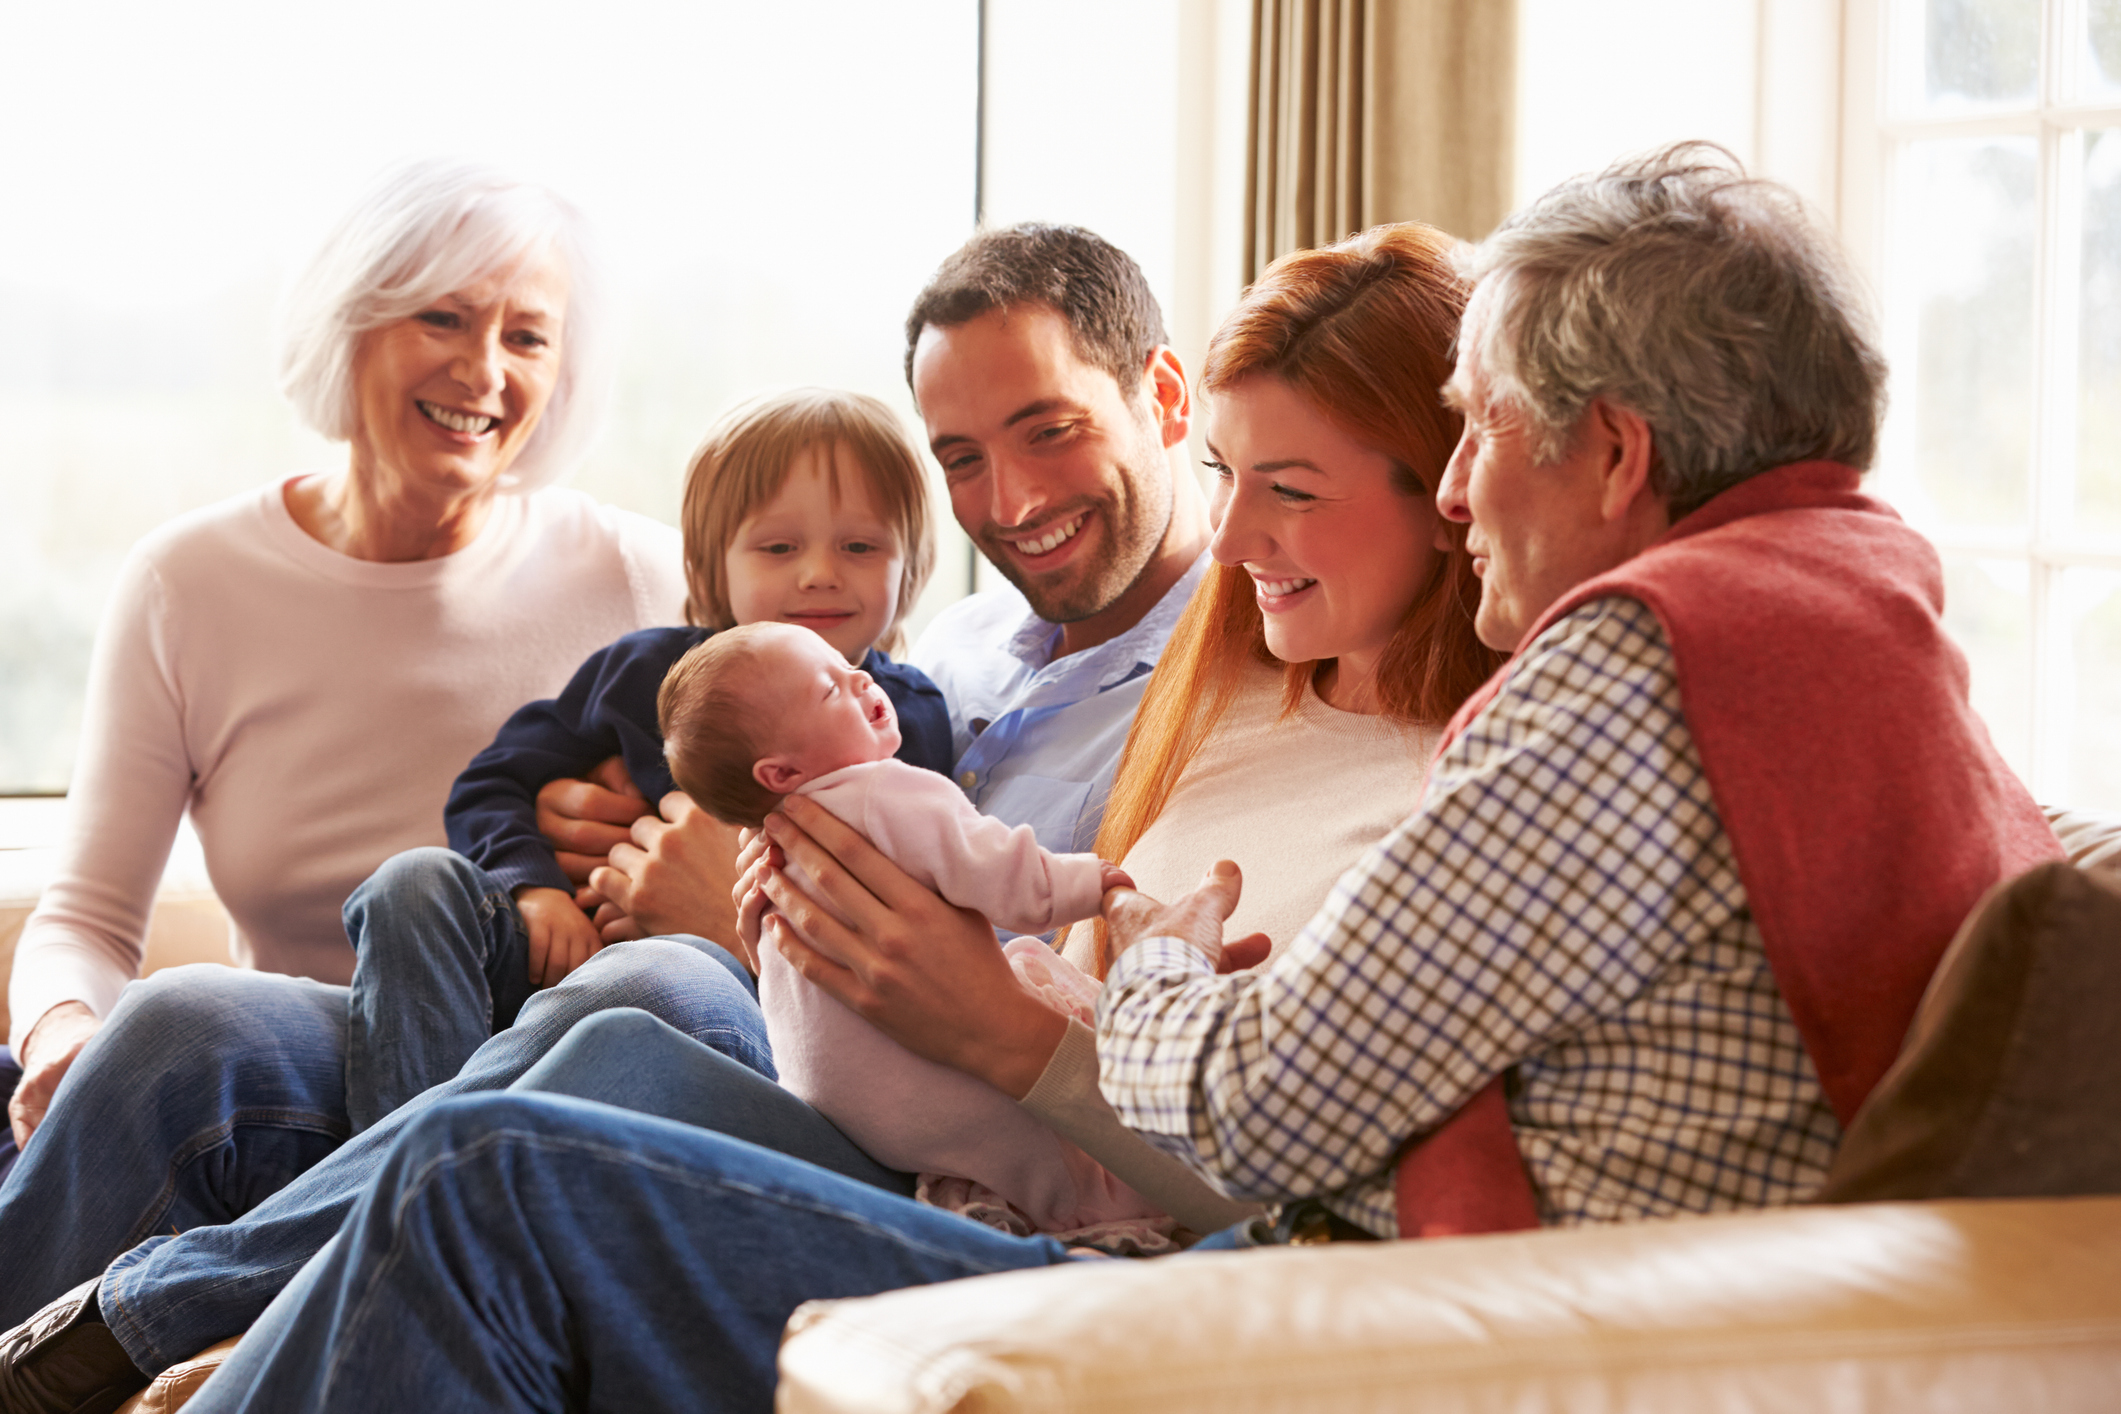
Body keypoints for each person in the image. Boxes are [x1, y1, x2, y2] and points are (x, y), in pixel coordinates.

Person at [153, 219, 1512, 1412]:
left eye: (1290, 490)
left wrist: (985, 1019)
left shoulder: (1463, 788)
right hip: (928, 1115)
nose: (1230, 537)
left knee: (528, 1119)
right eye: (1231, 479)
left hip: (1087, 1217)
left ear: (1450, 491)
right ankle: (199, 1322)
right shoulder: (1207, 688)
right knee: (252, 1031)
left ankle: (183, 1324)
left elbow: (1308, 1188)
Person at [0, 156, 690, 1163]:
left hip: (543, 1084)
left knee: (187, 1025)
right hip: (285, 1091)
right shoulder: (186, 584)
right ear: (351, 322)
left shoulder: (641, 577)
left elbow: (780, 827)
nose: (486, 369)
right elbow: (89, 922)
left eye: (527, 336)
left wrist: (655, 847)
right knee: (177, 1028)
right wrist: (61, 1029)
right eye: (443, 319)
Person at [345, 389, 956, 1131]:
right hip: (551, 955)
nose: (820, 573)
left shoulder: (906, 715)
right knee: (410, 882)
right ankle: (398, 1151)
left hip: (716, 1002)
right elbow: (495, 781)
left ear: (912, 564)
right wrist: (534, 891)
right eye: (779, 547)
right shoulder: (644, 674)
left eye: (861, 547)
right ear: (710, 564)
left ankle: (420, 1185)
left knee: (661, 980)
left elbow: (910, 887)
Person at [662, 621, 1153, 1237]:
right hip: (938, 1090)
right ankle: (1087, 1211)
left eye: (848, 666)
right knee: (1035, 1133)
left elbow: (782, 976)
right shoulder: (887, 794)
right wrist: (1096, 885)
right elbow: (1006, 877)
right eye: (829, 689)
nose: (862, 677)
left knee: (649, 981)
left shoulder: (769, 850)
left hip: (831, 1106)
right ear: (780, 774)